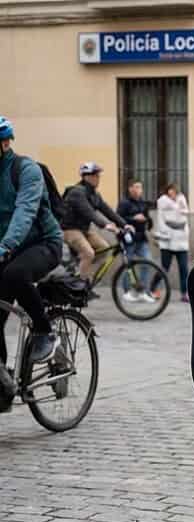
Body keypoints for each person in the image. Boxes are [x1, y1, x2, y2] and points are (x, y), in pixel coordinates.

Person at [0, 116, 64, 375]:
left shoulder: (26, 170)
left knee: (14, 274)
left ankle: (44, 330)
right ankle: (4, 381)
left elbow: (24, 211)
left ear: (5, 143)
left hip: (43, 243)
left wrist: (5, 246)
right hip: (8, 250)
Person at [61, 162, 128, 283]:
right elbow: (89, 212)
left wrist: (124, 224)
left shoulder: (94, 194)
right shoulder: (77, 192)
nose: (98, 178)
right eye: (95, 176)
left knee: (104, 248)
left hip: (84, 229)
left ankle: (80, 270)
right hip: (69, 229)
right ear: (86, 177)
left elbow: (107, 210)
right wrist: (105, 225)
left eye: (98, 176)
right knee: (88, 253)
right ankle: (79, 285)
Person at [116, 179, 155, 303]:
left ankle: (142, 291)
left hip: (141, 239)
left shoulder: (142, 203)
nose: (139, 190)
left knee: (147, 262)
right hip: (128, 239)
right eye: (136, 187)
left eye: (140, 187)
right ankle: (128, 292)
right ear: (130, 189)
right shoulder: (124, 203)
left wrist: (147, 221)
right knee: (128, 266)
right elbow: (118, 218)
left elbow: (148, 219)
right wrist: (133, 218)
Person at [155, 183, 190, 302]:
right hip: (167, 241)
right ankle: (154, 288)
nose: (172, 193)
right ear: (167, 191)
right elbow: (161, 219)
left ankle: (184, 293)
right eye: (170, 190)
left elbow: (185, 215)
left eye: (174, 191)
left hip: (181, 241)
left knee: (184, 268)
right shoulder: (162, 202)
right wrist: (164, 234)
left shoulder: (182, 200)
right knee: (164, 268)